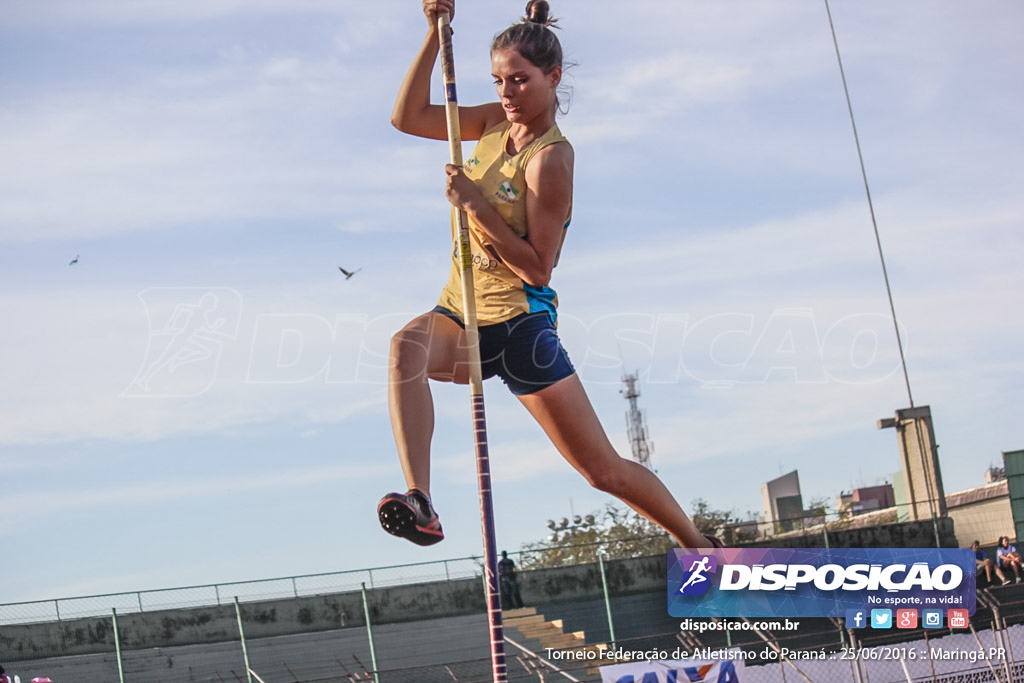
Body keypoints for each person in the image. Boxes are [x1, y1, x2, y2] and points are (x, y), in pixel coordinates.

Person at [376, 0, 717, 551]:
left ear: (553, 77)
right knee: (403, 351)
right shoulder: (488, 123)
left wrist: (476, 207)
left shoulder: (550, 159)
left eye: (519, 81)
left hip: (519, 330)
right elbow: (407, 117)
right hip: (461, 313)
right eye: (499, 81)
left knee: (603, 471)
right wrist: (435, 35)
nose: (508, 94)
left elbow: (538, 266)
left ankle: (698, 543)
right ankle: (421, 501)